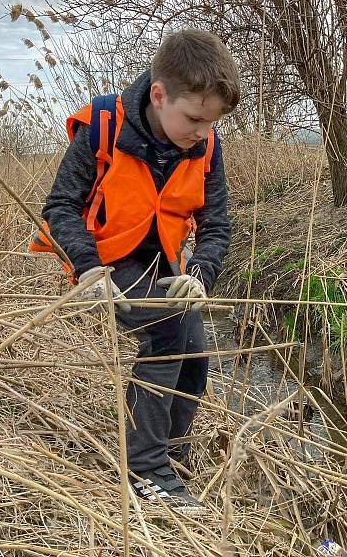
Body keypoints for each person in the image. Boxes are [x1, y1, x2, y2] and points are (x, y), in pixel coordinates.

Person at [30, 29, 239, 513]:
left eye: (211, 123)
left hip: (163, 262)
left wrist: (202, 273)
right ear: (159, 94)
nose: (202, 133)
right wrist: (87, 270)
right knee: (167, 333)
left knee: (195, 353)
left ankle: (172, 450)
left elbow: (217, 223)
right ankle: (143, 468)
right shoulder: (103, 125)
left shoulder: (206, 143)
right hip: (106, 262)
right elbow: (60, 206)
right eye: (194, 119)